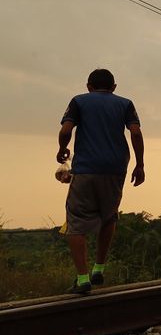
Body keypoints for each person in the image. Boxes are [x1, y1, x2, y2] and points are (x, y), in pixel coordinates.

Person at [57, 68, 145, 294]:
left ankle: (82, 278)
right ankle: (99, 268)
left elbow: (66, 130)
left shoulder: (79, 101)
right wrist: (140, 165)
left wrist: (62, 149)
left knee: (76, 223)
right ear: (114, 87)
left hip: (86, 169)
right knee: (108, 216)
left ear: (89, 86)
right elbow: (135, 133)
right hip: (116, 169)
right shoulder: (125, 104)